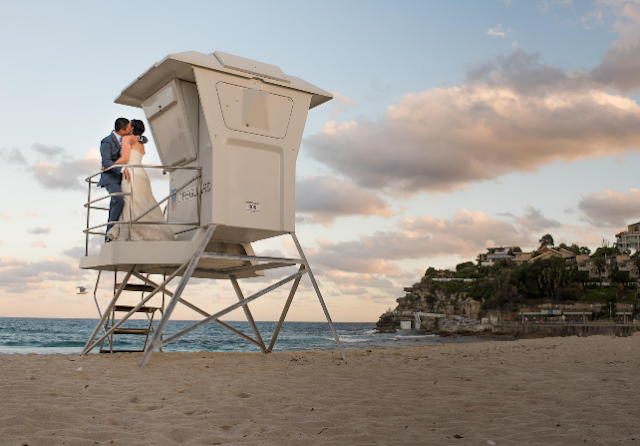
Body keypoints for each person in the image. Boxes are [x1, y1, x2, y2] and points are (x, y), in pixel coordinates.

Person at [106, 119, 174, 242]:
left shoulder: (128, 139)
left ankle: (131, 234)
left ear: (131, 128)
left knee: (129, 201)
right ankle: (150, 232)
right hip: (141, 174)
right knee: (143, 202)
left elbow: (125, 158)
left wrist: (110, 165)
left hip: (131, 174)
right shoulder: (141, 142)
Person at [98, 118, 132, 240]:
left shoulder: (128, 138)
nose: (131, 130)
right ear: (122, 130)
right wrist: (121, 169)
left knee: (119, 203)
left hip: (123, 179)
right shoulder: (106, 142)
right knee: (118, 200)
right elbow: (106, 162)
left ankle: (114, 233)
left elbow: (143, 138)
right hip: (111, 178)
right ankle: (110, 234)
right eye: (129, 128)